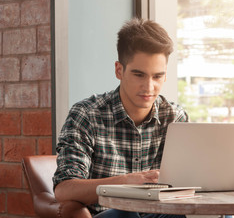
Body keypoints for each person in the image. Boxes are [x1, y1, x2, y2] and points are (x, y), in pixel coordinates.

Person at [53, 17, 188, 218]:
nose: (149, 87)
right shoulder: (86, 115)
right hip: (111, 215)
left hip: (160, 214)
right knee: (126, 214)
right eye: (139, 75)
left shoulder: (175, 117)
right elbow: (64, 189)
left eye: (157, 76)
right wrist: (126, 182)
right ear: (119, 70)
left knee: (219, 214)